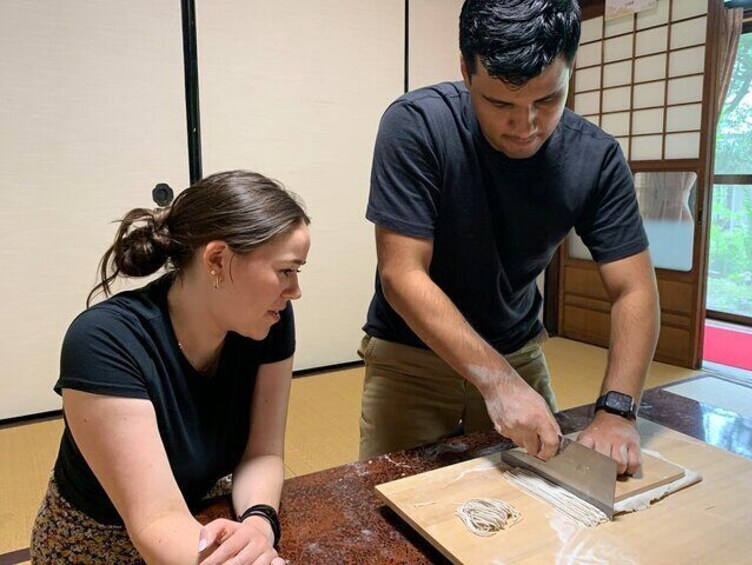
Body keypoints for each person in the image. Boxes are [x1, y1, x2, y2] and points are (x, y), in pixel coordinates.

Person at [359, 0, 660, 474]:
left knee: (548, 504)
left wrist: (617, 410)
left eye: (548, 99)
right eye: (500, 103)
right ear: (465, 69)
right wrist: (495, 383)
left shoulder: (596, 158)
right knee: (389, 512)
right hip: (411, 356)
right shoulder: (417, 125)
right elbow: (402, 274)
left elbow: (634, 288)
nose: (526, 127)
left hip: (517, 350)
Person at [31, 170, 310, 564]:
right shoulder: (103, 340)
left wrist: (259, 525)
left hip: (202, 519)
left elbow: (262, 452)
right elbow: (156, 520)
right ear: (217, 259)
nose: (294, 289)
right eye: (285, 270)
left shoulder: (270, 318)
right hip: (100, 542)